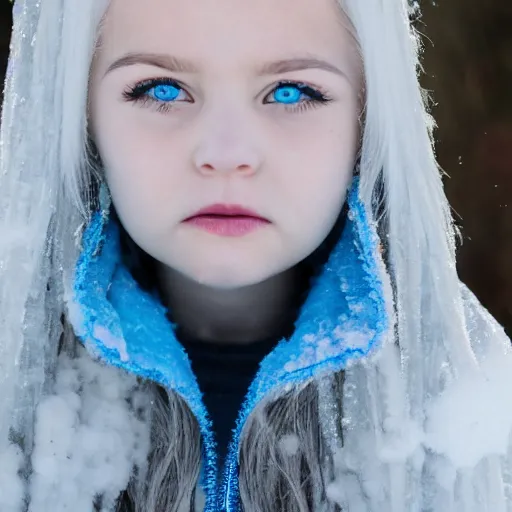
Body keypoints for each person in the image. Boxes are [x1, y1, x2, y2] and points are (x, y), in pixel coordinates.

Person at [1, 0, 511, 511]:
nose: (226, 153)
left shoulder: (480, 425)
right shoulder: (15, 420)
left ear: (368, 119)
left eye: (290, 92)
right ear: (81, 116)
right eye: (162, 89)